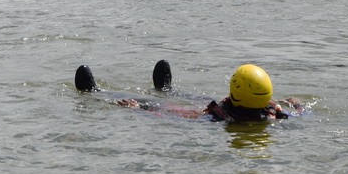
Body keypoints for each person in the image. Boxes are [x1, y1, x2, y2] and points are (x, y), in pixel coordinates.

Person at [75, 61, 304, 122]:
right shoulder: (275, 113)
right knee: (206, 99)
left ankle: (96, 92)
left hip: (212, 118)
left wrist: (140, 109)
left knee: (158, 104)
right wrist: (296, 104)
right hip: (244, 110)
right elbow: (302, 113)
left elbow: (178, 115)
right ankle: (166, 89)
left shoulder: (217, 117)